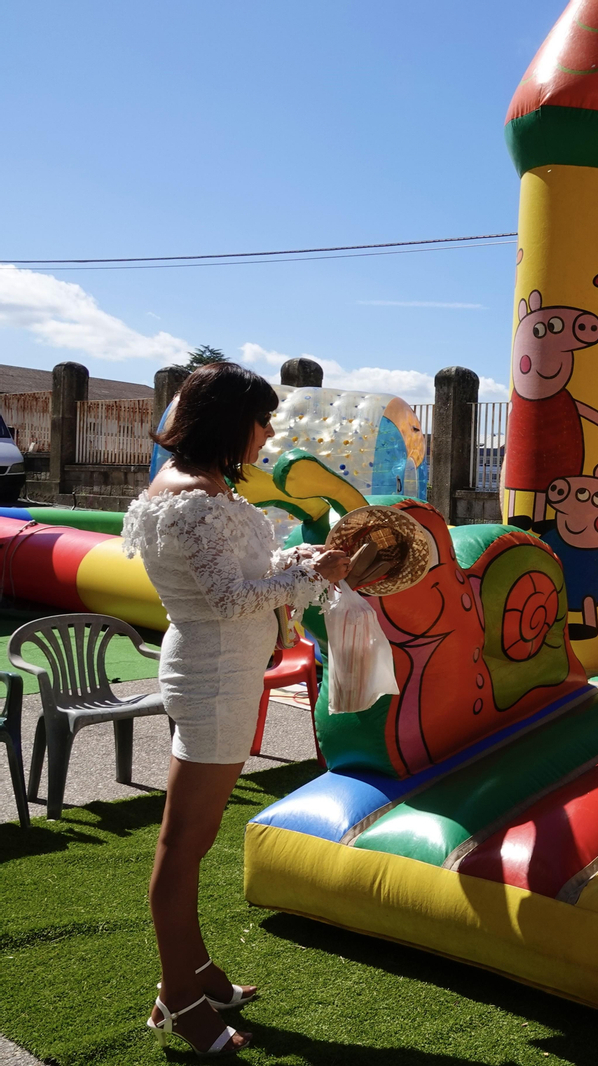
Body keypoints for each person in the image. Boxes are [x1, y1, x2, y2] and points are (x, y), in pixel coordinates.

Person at [122, 363, 351, 1055]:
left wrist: (303, 557)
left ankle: (197, 975)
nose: (270, 433)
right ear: (230, 421)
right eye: (262, 420)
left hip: (224, 673)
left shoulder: (206, 488)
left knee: (190, 840)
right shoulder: (192, 497)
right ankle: (181, 997)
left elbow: (244, 571)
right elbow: (227, 600)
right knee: (183, 844)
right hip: (214, 677)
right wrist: (309, 576)